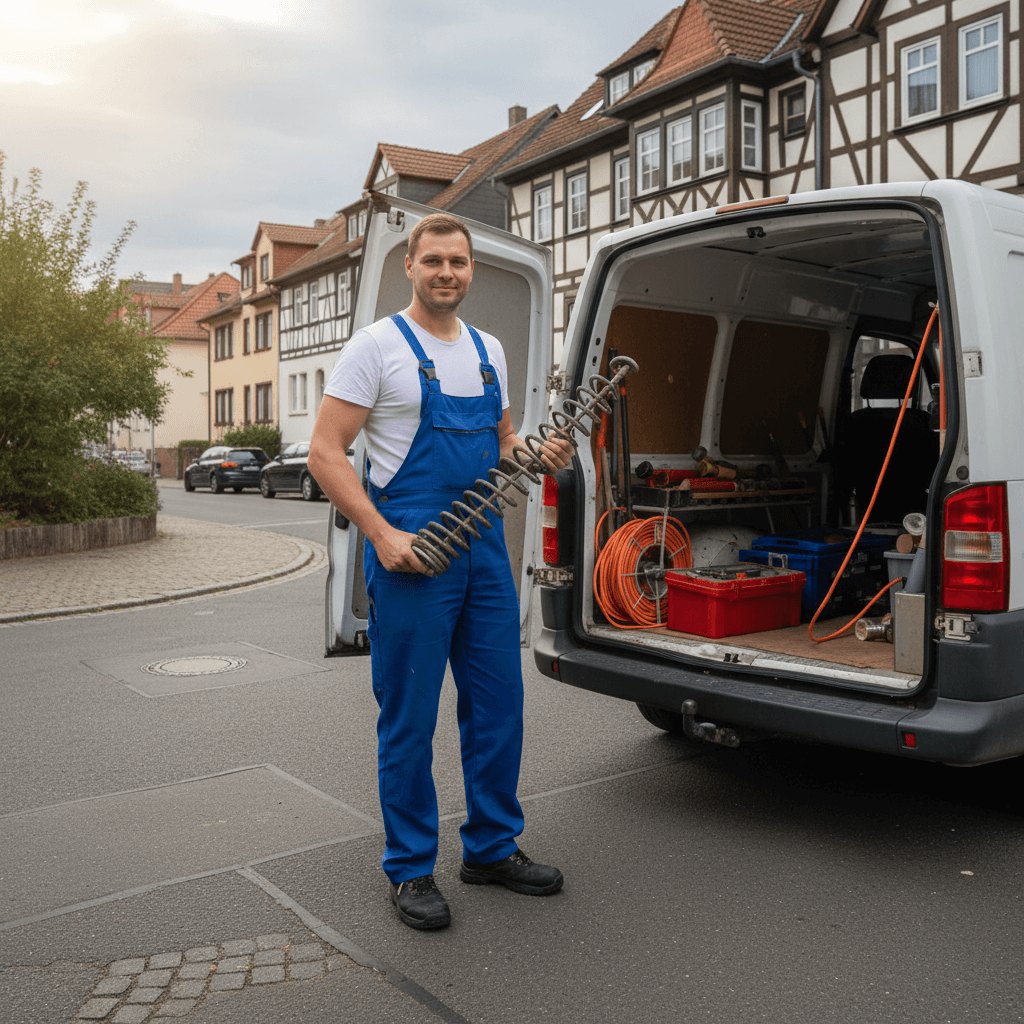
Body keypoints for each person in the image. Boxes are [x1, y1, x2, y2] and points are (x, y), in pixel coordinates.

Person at [309, 212, 573, 930]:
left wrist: (537, 455)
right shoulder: (377, 347)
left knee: (498, 706)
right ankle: (410, 868)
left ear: (471, 268)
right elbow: (326, 452)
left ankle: (491, 847)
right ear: (410, 266)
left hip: (482, 546)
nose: (446, 272)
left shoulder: (489, 350)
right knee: (410, 716)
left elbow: (504, 442)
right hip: (413, 548)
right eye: (433, 261)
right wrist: (380, 534)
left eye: (457, 261)